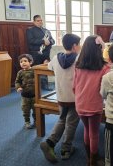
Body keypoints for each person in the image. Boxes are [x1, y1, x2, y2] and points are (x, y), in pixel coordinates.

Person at [40, 34, 81, 163]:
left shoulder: (56, 57)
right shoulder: (79, 60)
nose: (80, 47)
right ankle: (66, 149)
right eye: (79, 44)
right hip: (75, 98)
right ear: (74, 46)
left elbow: (49, 67)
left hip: (61, 96)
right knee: (71, 123)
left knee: (63, 119)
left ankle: (50, 142)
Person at [73, 35, 110, 166]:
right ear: (99, 49)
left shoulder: (78, 65)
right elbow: (105, 90)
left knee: (86, 129)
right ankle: (93, 161)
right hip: (94, 104)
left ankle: (89, 157)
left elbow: (74, 86)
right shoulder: (105, 68)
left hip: (80, 103)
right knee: (94, 133)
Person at [26, 15, 55, 90]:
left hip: (46, 53)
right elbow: (31, 41)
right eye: (38, 21)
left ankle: (45, 86)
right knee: (36, 69)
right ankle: (36, 87)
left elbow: (53, 40)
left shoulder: (46, 30)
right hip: (36, 53)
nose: (40, 22)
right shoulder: (30, 30)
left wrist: (49, 41)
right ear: (34, 22)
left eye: (41, 20)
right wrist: (43, 41)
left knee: (45, 69)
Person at [15, 54, 35, 129]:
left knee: (36, 110)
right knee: (25, 110)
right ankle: (27, 122)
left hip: (34, 95)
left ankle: (36, 121)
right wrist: (18, 87)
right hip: (25, 96)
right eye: (21, 62)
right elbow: (17, 81)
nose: (23, 63)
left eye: (25, 61)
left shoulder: (34, 70)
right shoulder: (20, 73)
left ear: (30, 62)